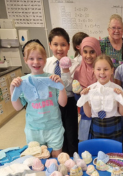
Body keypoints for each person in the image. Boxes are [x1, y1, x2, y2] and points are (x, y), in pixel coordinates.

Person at [10, 40, 67, 158]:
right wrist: (12, 88)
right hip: (33, 129)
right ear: (25, 60)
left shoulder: (52, 79)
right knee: (37, 160)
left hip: (54, 127)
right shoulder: (23, 81)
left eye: (40, 58)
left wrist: (61, 86)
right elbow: (17, 107)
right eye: (31, 58)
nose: (36, 62)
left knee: (57, 158)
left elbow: (63, 103)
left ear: (45, 59)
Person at [44, 27, 79, 156]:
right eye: (55, 44)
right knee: (56, 132)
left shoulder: (75, 64)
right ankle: (58, 158)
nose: (59, 48)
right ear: (50, 45)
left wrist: (65, 71)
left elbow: (71, 88)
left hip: (69, 102)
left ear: (69, 46)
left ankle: (73, 158)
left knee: (70, 132)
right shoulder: (45, 63)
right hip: (52, 102)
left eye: (63, 45)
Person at [80, 55, 123, 142]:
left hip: (114, 125)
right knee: (97, 153)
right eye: (98, 69)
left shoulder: (118, 89)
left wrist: (120, 97)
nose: (102, 72)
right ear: (94, 71)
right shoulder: (90, 89)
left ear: (112, 70)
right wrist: (84, 98)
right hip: (96, 126)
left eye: (106, 69)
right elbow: (88, 114)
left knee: (115, 154)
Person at [73, 37, 102, 141]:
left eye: (92, 52)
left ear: (98, 52)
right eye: (85, 52)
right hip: (86, 118)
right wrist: (79, 93)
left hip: (102, 118)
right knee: (87, 150)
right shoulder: (78, 72)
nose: (88, 56)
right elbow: (78, 100)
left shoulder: (103, 70)